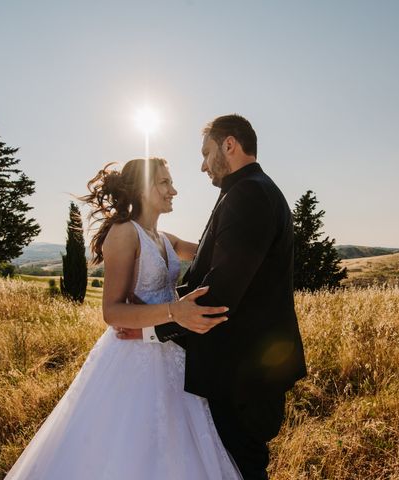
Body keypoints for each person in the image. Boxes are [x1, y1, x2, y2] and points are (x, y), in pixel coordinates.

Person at [5, 158, 242, 479]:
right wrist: (176, 311)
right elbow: (112, 311)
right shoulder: (123, 234)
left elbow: (215, 252)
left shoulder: (164, 239)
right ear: (143, 189)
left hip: (170, 351)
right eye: (164, 182)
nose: (173, 190)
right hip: (132, 357)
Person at [120, 114, 307, 480]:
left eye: (206, 153)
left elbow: (219, 296)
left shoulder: (249, 193)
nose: (202, 165)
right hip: (246, 367)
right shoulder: (249, 190)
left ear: (230, 145)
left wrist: (151, 331)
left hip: (243, 371)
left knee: (242, 468)